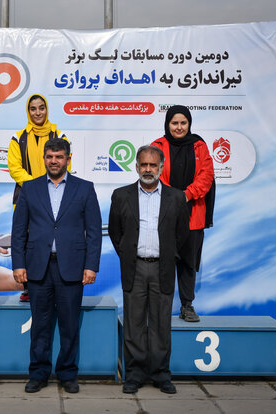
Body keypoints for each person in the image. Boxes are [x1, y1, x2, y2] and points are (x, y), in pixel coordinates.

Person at [11, 138, 101, 394]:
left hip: (71, 267)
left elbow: (93, 232)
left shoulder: (85, 188)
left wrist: (91, 266)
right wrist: (18, 264)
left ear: (68, 159)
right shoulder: (29, 188)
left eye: (59, 157)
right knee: (40, 324)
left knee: (69, 325)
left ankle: (67, 374)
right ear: (45, 158)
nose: (54, 161)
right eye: (49, 156)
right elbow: (18, 232)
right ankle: (38, 373)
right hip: (38, 267)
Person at [109, 145, 189, 395]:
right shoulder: (121, 195)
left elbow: (182, 234)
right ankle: (134, 375)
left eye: (153, 165)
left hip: (162, 268)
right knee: (133, 324)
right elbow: (115, 232)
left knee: (161, 324)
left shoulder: (176, 197)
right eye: (143, 164)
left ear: (161, 168)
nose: (148, 169)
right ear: (136, 166)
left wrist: (169, 255)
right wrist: (127, 254)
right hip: (134, 267)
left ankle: (161, 375)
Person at [151, 105, 215, 322]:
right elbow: (153, 173)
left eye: (183, 123)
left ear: (189, 124)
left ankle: (187, 306)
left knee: (188, 264)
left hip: (193, 215)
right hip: (164, 216)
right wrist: (172, 197)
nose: (179, 127)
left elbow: (206, 177)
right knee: (163, 262)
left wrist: (186, 195)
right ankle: (161, 307)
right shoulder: (157, 146)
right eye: (174, 123)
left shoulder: (200, 146)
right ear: (167, 124)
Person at [8, 94, 71, 302]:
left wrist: (46, 186)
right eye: (33, 109)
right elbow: (14, 168)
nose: (37, 113)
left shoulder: (59, 134)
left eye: (41, 108)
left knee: (54, 236)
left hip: (56, 192)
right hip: (26, 195)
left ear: (47, 109)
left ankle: (57, 283)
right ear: (28, 111)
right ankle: (28, 287)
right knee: (26, 239)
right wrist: (35, 188)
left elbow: (65, 165)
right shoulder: (18, 137)